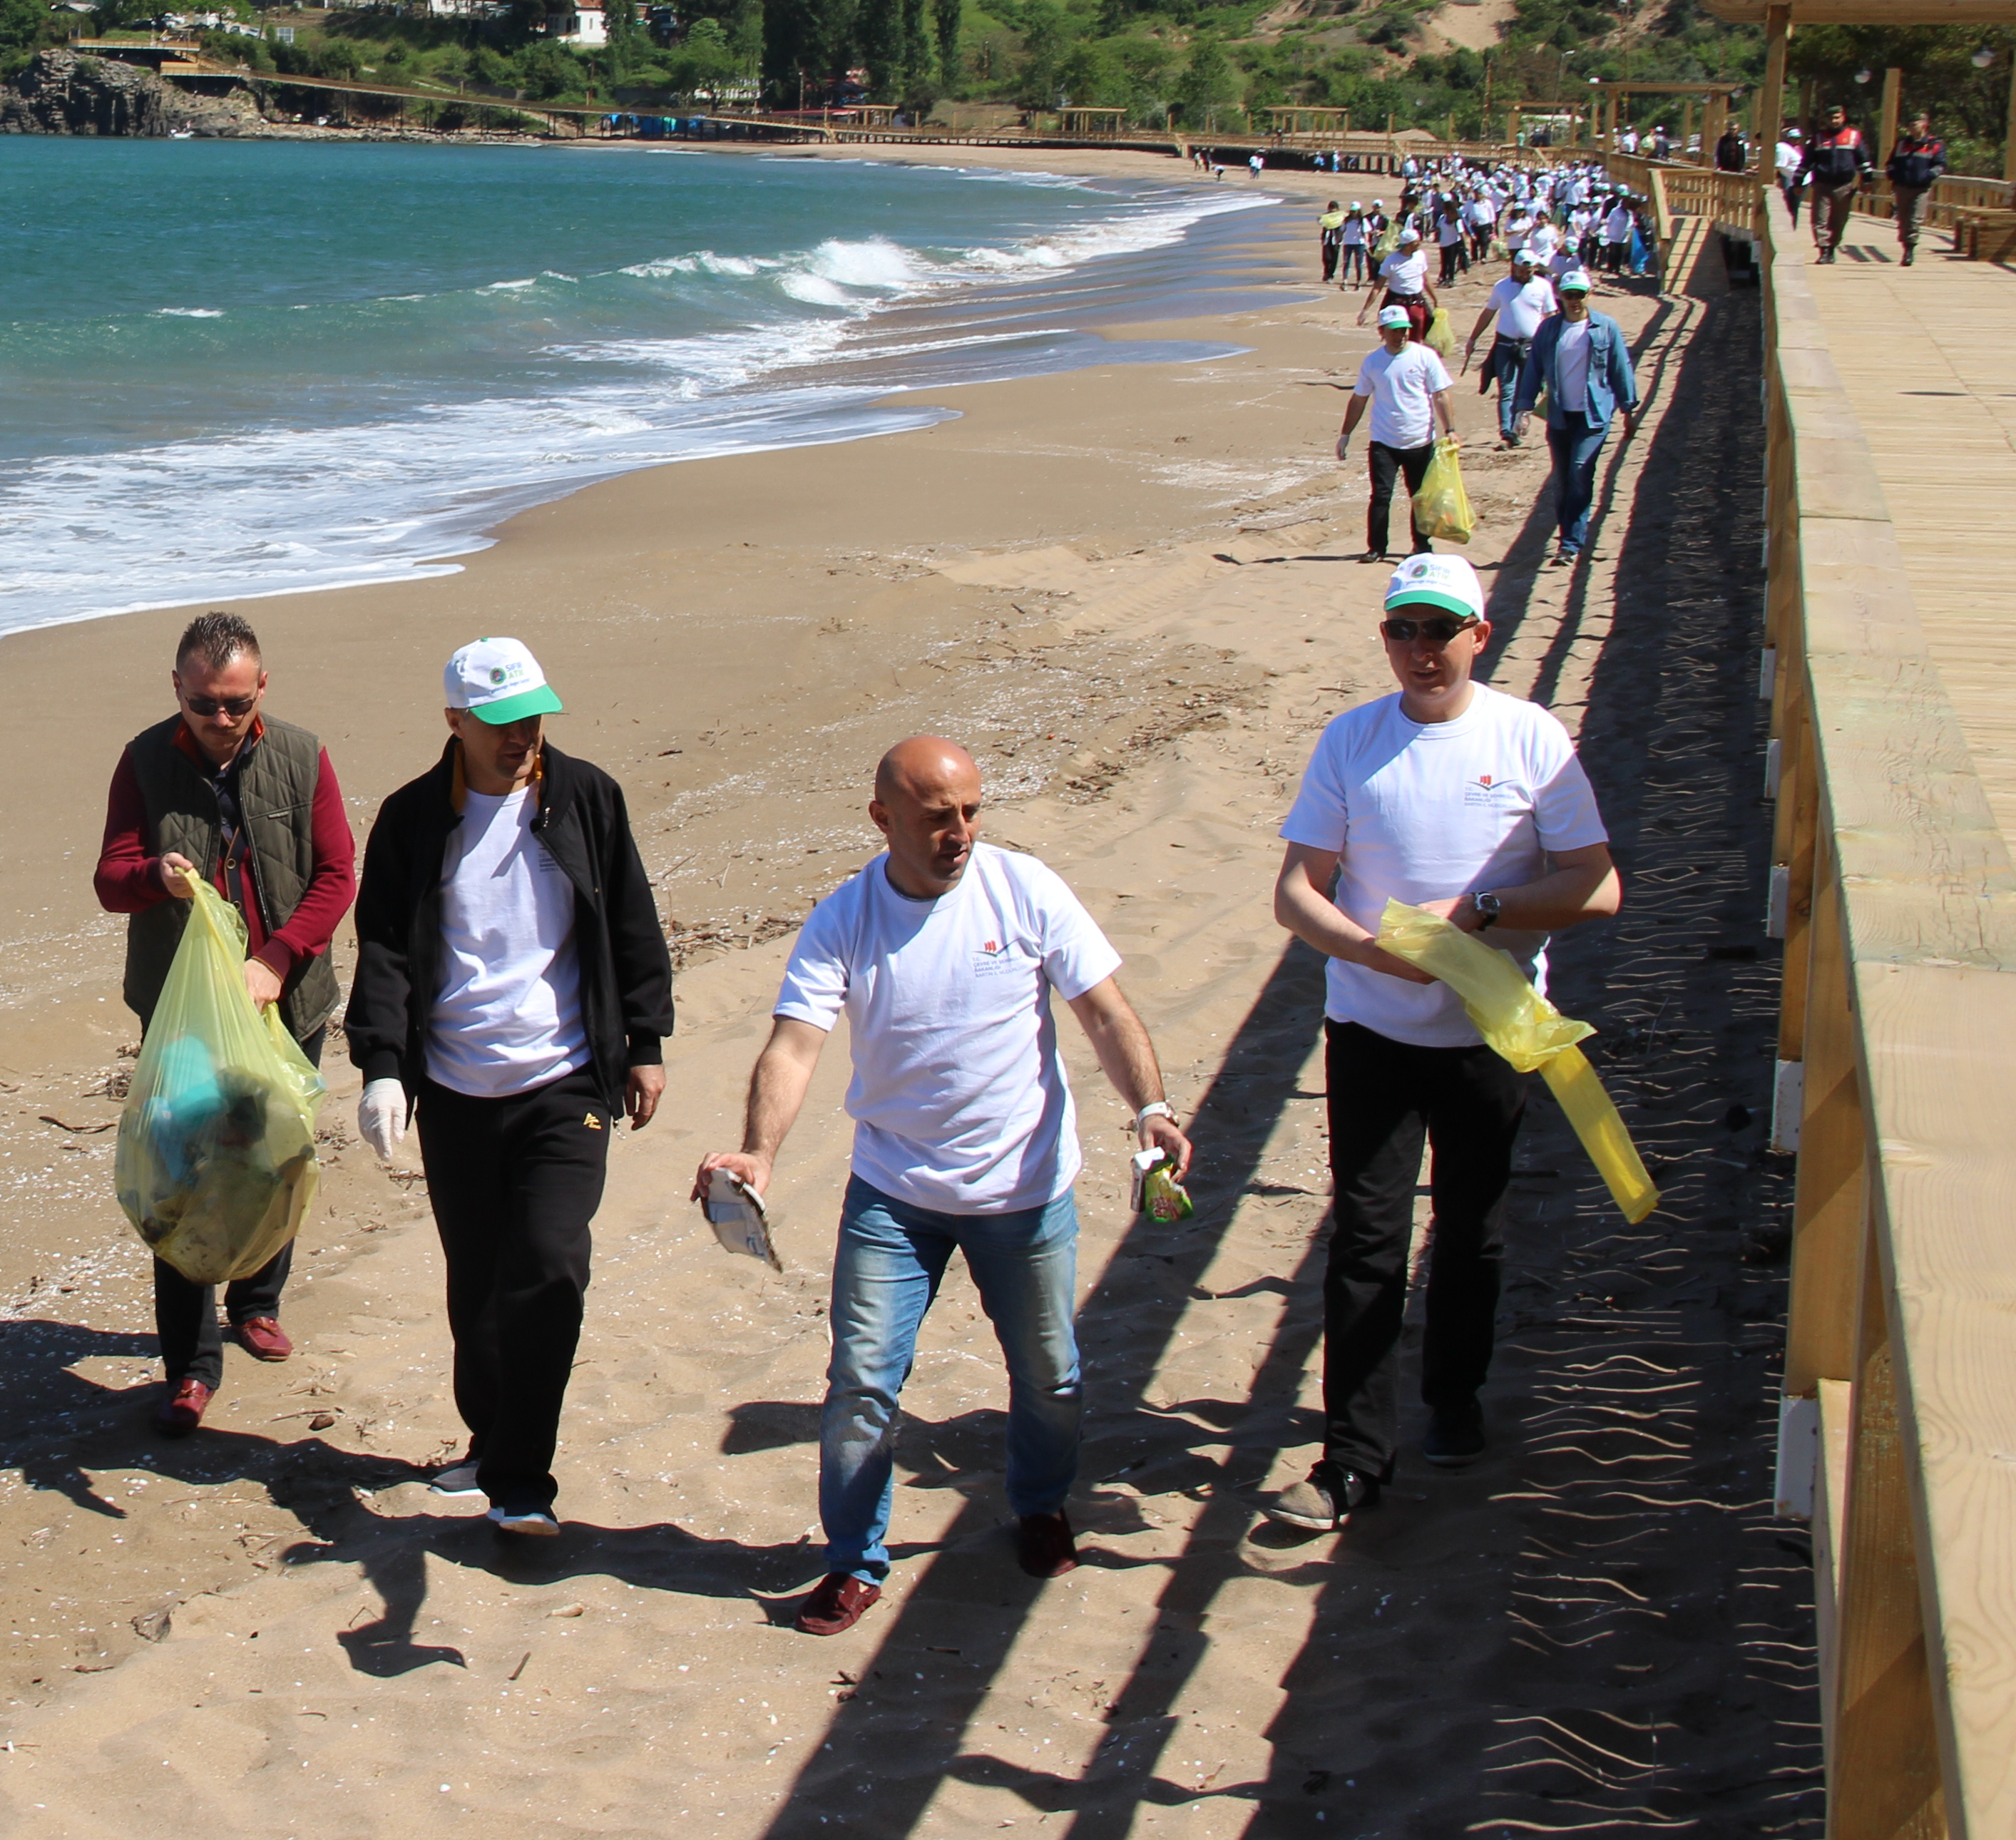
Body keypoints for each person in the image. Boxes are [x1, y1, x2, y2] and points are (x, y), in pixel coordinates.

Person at [697, 737, 1193, 1636]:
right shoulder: (845, 917)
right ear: (884, 818)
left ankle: (1040, 1504)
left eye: (970, 812)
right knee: (861, 1384)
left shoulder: (1026, 889)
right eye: (936, 817)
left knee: (1051, 1376)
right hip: (895, 1193)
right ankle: (853, 1561)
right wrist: (757, 1152)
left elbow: (1105, 1010)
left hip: (1026, 1190)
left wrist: (1151, 1107)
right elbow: (795, 1044)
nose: (958, 832)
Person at [1262, 553, 1623, 1530]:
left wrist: (1489, 911)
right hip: (1371, 1026)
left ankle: (1453, 1400)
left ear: (1480, 634)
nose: (1421, 650)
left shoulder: (1530, 738)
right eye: (1402, 631)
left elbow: (1597, 882)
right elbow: (1298, 891)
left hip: (1490, 1032)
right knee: (1368, 1240)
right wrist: (1377, 954)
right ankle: (1351, 1459)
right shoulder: (1351, 741)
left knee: (1471, 1232)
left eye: (1439, 629)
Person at [347, 638, 672, 1538]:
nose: (521, 735)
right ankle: (492, 1440)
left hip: (566, 1082)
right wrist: (382, 1068)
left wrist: (643, 1042)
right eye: (499, 722)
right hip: (454, 1090)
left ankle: (525, 1484)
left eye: (531, 716)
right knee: (479, 1287)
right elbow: (385, 948)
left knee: (551, 1267)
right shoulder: (413, 819)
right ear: (454, 722)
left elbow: (633, 922)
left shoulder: (587, 799)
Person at [94, 609, 359, 1434]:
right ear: (178, 688)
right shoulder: (143, 761)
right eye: (204, 703)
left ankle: (257, 1302)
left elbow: (337, 874)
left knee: (272, 1157)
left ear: (262, 690)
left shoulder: (302, 755)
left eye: (236, 704)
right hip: (185, 1017)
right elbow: (109, 879)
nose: (219, 720)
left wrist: (276, 961)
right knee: (185, 1179)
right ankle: (190, 1365)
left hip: (286, 1003)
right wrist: (153, 876)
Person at [1513, 268, 1639, 566]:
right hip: (1559, 415)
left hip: (1594, 416)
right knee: (1562, 480)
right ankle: (1568, 533)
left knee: (1580, 470)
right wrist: (1524, 408)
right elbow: (1533, 371)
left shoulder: (1606, 328)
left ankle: (1571, 542)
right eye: (1568, 295)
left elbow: (1621, 369)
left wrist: (1628, 409)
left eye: (1579, 295)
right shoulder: (1549, 330)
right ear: (1560, 297)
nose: (1574, 301)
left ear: (1588, 295)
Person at [1336, 305, 1455, 563]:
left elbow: (1441, 395)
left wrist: (1451, 429)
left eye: (1404, 330)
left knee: (1420, 497)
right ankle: (1377, 548)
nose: (1400, 335)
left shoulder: (1425, 357)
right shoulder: (1373, 362)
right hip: (1384, 441)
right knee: (1381, 496)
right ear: (1381, 332)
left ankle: (1421, 545)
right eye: (1394, 330)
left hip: (1420, 440)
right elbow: (1359, 399)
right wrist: (1345, 434)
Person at [1459, 252, 1555, 450]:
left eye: (1528, 270)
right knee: (1507, 389)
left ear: (1534, 269)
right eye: (1520, 270)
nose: (1524, 274)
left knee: (1527, 389)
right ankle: (1506, 430)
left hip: (1531, 346)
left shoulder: (1543, 286)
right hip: (1505, 344)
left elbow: (1550, 316)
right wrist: (1473, 338)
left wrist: (1552, 343)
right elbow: (1489, 313)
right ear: (1513, 267)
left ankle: (1519, 422)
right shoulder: (1502, 287)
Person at [1807, 106, 1871, 261]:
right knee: (1819, 219)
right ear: (1826, 120)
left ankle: (1831, 248)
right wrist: (1797, 182)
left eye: (1837, 117)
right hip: (1822, 184)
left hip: (1844, 186)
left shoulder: (1854, 136)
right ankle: (1823, 250)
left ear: (1843, 118)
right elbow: (1807, 161)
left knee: (1839, 219)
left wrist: (1867, 180)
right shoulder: (1818, 138)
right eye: (1831, 118)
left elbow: (1863, 160)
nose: (1834, 121)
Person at [1886, 110, 1945, 267]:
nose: (1912, 127)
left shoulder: (1935, 145)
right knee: (1903, 220)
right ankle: (1905, 244)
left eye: (1915, 124)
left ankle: (1910, 251)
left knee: (1915, 220)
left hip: (1921, 188)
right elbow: (1891, 162)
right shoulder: (1902, 144)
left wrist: (1928, 176)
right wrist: (1892, 174)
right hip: (1902, 187)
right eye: (1910, 124)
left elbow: (1940, 165)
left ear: (1925, 124)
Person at [1773, 126, 1806, 228]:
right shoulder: (1786, 148)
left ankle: (1792, 226)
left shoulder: (1798, 149)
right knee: (1787, 201)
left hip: (1799, 179)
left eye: (1798, 138)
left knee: (1793, 204)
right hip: (1787, 176)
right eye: (1794, 138)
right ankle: (1788, 224)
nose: (1796, 140)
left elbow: (1780, 165)